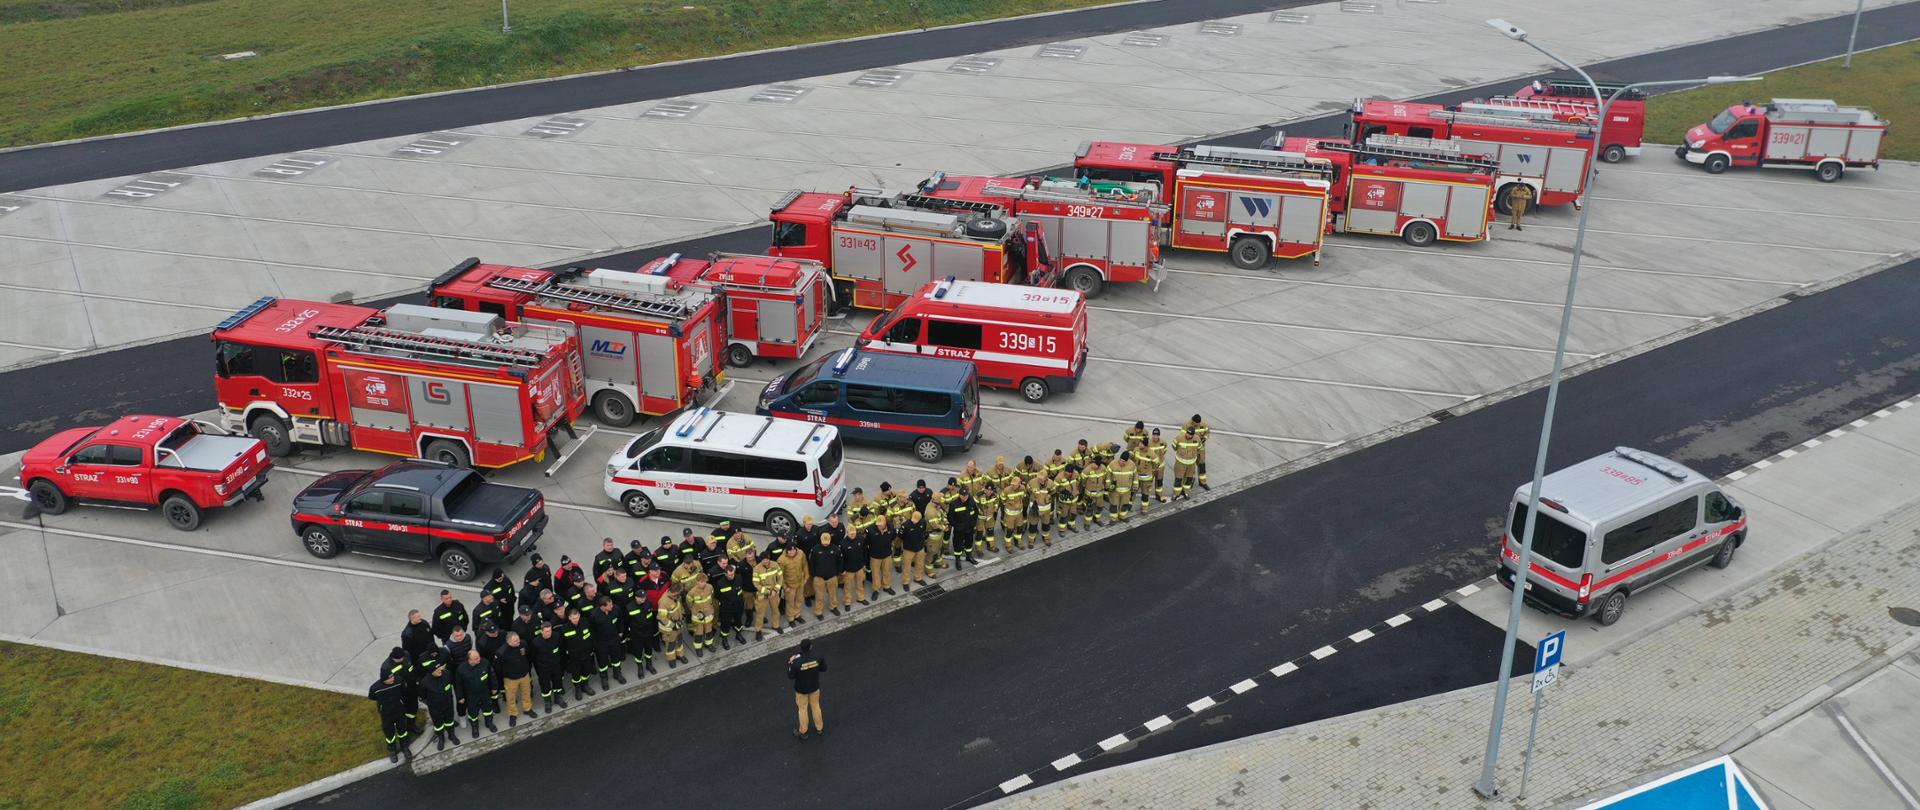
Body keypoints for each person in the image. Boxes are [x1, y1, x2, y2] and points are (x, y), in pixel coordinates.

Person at [368, 664, 414, 763]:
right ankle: (392, 749)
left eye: (393, 676)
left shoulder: (398, 681)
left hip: (399, 710)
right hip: (386, 713)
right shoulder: (375, 688)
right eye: (390, 678)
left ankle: (404, 747)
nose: (393, 678)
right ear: (384, 679)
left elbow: (403, 690)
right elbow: (372, 697)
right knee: (389, 733)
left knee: (402, 730)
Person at [417, 655, 460, 750]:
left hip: (448, 704)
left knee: (449, 721)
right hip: (435, 707)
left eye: (439, 668)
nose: (440, 671)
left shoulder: (447, 674)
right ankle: (441, 738)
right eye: (437, 670)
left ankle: (451, 735)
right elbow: (423, 696)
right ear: (431, 672)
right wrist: (432, 703)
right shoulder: (425, 682)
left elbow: (453, 684)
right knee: (438, 724)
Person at [787, 638, 827, 740]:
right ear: (811, 646)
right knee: (816, 706)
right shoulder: (818, 656)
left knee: (803, 709)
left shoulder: (796, 662)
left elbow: (791, 676)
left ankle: (803, 731)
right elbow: (824, 668)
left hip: (801, 690)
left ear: (801, 647)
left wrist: (790, 664)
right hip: (814, 687)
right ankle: (819, 727)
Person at [494, 631, 535, 726]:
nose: (518, 642)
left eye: (518, 639)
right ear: (508, 642)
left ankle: (527, 709)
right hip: (510, 680)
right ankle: (513, 714)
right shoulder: (501, 652)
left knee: (526, 693)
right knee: (510, 698)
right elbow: (497, 667)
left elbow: (528, 656)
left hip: (524, 675)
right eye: (515, 641)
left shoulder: (523, 644)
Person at [455, 649, 498, 738]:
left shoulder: (485, 663)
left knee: (488, 709)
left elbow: (492, 676)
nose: (479, 659)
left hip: (485, 692)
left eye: (479, 657)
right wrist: (460, 697)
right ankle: (475, 727)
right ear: (470, 660)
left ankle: (489, 722)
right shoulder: (461, 669)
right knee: (472, 713)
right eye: (476, 658)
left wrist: (494, 687)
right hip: (471, 695)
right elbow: (458, 685)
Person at [529, 622, 568, 711]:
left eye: (550, 631)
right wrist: (538, 669)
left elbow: (561, 649)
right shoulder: (536, 642)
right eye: (546, 631)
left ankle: (558, 698)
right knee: (545, 685)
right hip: (543, 668)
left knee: (557, 683)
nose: (549, 633)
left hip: (556, 665)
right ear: (541, 631)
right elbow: (533, 656)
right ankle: (548, 701)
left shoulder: (556, 636)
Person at [619, 589, 658, 675]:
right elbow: (626, 621)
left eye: (644, 597)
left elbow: (651, 616)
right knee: (638, 652)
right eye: (641, 598)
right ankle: (639, 667)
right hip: (637, 634)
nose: (643, 599)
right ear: (636, 597)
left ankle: (649, 664)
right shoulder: (629, 607)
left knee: (648, 650)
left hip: (648, 632)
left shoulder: (648, 603)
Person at [590, 596, 626, 687]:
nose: (612, 606)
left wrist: (621, 632)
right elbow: (592, 630)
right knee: (602, 663)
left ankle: (617, 674)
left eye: (612, 604)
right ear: (603, 606)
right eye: (609, 605)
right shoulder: (594, 615)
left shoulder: (616, 609)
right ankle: (604, 678)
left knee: (616, 659)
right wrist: (595, 644)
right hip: (601, 643)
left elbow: (620, 620)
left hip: (614, 639)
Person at [712, 557, 748, 649]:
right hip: (726, 607)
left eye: (733, 574)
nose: (732, 576)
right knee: (725, 623)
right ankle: (724, 638)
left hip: (738, 605)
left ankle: (738, 634)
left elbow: (741, 588)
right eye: (730, 575)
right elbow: (717, 595)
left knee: (738, 621)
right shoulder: (720, 583)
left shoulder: (739, 578)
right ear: (725, 574)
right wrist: (725, 601)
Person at [561, 608, 596, 699]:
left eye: (577, 617)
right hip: (574, 656)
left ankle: (585, 686)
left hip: (586, 653)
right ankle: (578, 689)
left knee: (586, 671)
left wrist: (591, 648)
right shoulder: (564, 629)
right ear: (569, 618)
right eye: (573, 618)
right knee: (576, 674)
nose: (576, 620)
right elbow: (563, 644)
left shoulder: (585, 623)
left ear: (579, 616)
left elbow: (591, 635)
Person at [809, 532, 842, 618]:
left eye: (827, 541)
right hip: (819, 578)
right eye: (824, 541)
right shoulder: (815, 550)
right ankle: (818, 611)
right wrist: (814, 575)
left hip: (832, 577)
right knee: (819, 596)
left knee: (833, 594)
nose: (825, 543)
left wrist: (837, 573)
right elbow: (811, 563)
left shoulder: (835, 549)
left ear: (830, 540)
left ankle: (833, 607)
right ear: (820, 540)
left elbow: (840, 562)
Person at [751, 549, 783, 640]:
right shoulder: (757, 569)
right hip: (763, 594)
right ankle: (758, 630)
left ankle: (776, 625)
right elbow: (756, 584)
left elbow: (780, 577)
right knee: (760, 613)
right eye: (763, 560)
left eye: (766, 559)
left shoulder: (775, 565)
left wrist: (776, 589)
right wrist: (768, 591)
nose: (765, 561)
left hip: (774, 593)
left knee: (776, 610)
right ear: (761, 560)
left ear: (769, 559)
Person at [778, 541, 810, 627]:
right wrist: (784, 587)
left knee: (799, 600)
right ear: (787, 551)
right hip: (790, 585)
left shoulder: (801, 553)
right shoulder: (781, 560)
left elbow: (805, 564)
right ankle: (791, 618)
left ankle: (797, 615)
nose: (792, 552)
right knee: (790, 602)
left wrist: (806, 576)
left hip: (800, 582)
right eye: (790, 551)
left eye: (794, 550)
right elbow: (780, 575)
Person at [656, 589, 689, 668]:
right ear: (670, 592)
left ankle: (680, 655)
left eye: (677, 595)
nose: (676, 597)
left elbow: (679, 607)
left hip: (678, 625)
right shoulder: (663, 602)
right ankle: (671, 659)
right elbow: (662, 618)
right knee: (671, 644)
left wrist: (683, 614)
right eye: (675, 595)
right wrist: (673, 625)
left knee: (679, 641)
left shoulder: (676, 597)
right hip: (669, 629)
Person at [686, 576, 718, 656]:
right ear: (697, 582)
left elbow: (712, 597)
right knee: (698, 633)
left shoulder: (710, 587)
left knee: (709, 631)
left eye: (705, 582)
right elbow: (689, 603)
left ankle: (708, 644)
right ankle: (698, 648)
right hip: (698, 617)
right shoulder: (692, 592)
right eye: (701, 582)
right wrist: (695, 610)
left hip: (708, 615)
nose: (703, 584)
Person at [839, 521, 869, 605]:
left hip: (859, 567)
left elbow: (864, 552)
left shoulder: (860, 539)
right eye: (851, 533)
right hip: (848, 570)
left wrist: (864, 564)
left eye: (854, 533)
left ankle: (861, 598)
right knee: (847, 587)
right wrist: (842, 570)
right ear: (847, 533)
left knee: (860, 584)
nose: (853, 535)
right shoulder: (842, 544)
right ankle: (847, 602)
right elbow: (841, 559)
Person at [866, 514, 895, 595]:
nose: (879, 526)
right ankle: (876, 589)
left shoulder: (891, 528)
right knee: (875, 574)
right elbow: (867, 541)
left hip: (887, 555)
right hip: (875, 556)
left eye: (881, 525)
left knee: (887, 572)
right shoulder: (870, 530)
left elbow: (893, 537)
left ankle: (887, 587)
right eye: (878, 525)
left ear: (885, 523)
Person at [949, 488, 979, 567]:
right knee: (958, 544)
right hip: (959, 530)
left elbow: (976, 513)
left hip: (969, 528)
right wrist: (957, 526)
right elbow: (950, 518)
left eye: (966, 495)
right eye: (963, 495)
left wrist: (973, 523)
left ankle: (969, 556)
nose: (965, 497)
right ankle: (958, 559)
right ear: (959, 495)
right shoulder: (954, 504)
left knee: (969, 543)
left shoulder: (972, 501)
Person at [899, 510, 928, 590]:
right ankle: (905, 582)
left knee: (919, 564)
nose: (914, 522)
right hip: (908, 550)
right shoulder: (905, 525)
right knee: (906, 566)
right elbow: (901, 535)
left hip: (920, 548)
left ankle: (918, 578)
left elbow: (924, 531)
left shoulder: (923, 522)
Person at [1183, 414, 1212, 491]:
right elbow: (1182, 436)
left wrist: (1205, 438)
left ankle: (1202, 482)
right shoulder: (1187, 425)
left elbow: (1207, 432)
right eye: (1196, 424)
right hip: (1191, 450)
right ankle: (1190, 481)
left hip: (1201, 449)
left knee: (1202, 465)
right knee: (1191, 466)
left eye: (1199, 424)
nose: (1198, 425)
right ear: (1193, 421)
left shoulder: (1203, 424)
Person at [1173, 426, 1201, 500]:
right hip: (1180, 463)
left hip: (1191, 464)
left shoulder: (1197, 439)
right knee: (1178, 479)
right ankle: (1176, 494)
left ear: (1193, 435)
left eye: (1190, 435)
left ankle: (1185, 492)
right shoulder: (1179, 438)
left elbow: (1199, 448)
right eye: (1188, 434)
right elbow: (1174, 446)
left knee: (1189, 479)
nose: (1189, 436)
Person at [1109, 451, 1137, 522]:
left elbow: (1135, 477)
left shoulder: (1132, 465)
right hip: (1115, 490)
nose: (1122, 462)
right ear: (1119, 458)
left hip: (1126, 491)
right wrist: (1108, 486)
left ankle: (1123, 516)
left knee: (1124, 505)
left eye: (1124, 461)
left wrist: (1135, 486)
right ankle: (1113, 518)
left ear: (1127, 461)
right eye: (1121, 460)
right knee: (1114, 505)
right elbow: (1108, 476)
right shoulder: (1112, 464)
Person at [1081, 457, 1109, 527]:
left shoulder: (1103, 468)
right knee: (1089, 509)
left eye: (1099, 465)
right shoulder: (1086, 470)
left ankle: (1097, 520)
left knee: (1099, 508)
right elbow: (1083, 482)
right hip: (1090, 494)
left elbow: (1105, 478)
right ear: (1092, 463)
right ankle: (1087, 524)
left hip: (1100, 493)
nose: (1097, 467)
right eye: (1096, 465)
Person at [976, 482, 1002, 553]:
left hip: (990, 517)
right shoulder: (978, 495)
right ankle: (979, 549)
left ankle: (991, 546)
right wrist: (980, 511)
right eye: (987, 490)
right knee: (979, 533)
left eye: (991, 490)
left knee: (990, 532)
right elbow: (975, 505)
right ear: (984, 489)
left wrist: (994, 509)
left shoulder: (995, 495)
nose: (989, 492)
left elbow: (997, 503)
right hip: (980, 518)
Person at [1145, 428, 1170, 503]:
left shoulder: (1163, 442)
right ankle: (1146, 498)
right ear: (1152, 435)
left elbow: (1164, 450)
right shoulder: (1148, 443)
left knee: (1159, 482)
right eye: (1154, 435)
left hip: (1160, 467)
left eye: (1157, 435)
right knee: (1148, 483)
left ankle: (1159, 495)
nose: (1155, 437)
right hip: (1151, 467)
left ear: (1159, 435)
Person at [923, 501, 946, 579]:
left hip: (939, 535)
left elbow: (942, 516)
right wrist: (944, 527)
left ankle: (938, 562)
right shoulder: (931, 512)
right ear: (936, 502)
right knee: (932, 552)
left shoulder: (936, 508)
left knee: (939, 548)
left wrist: (945, 522)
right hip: (933, 536)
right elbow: (935, 525)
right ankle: (929, 570)